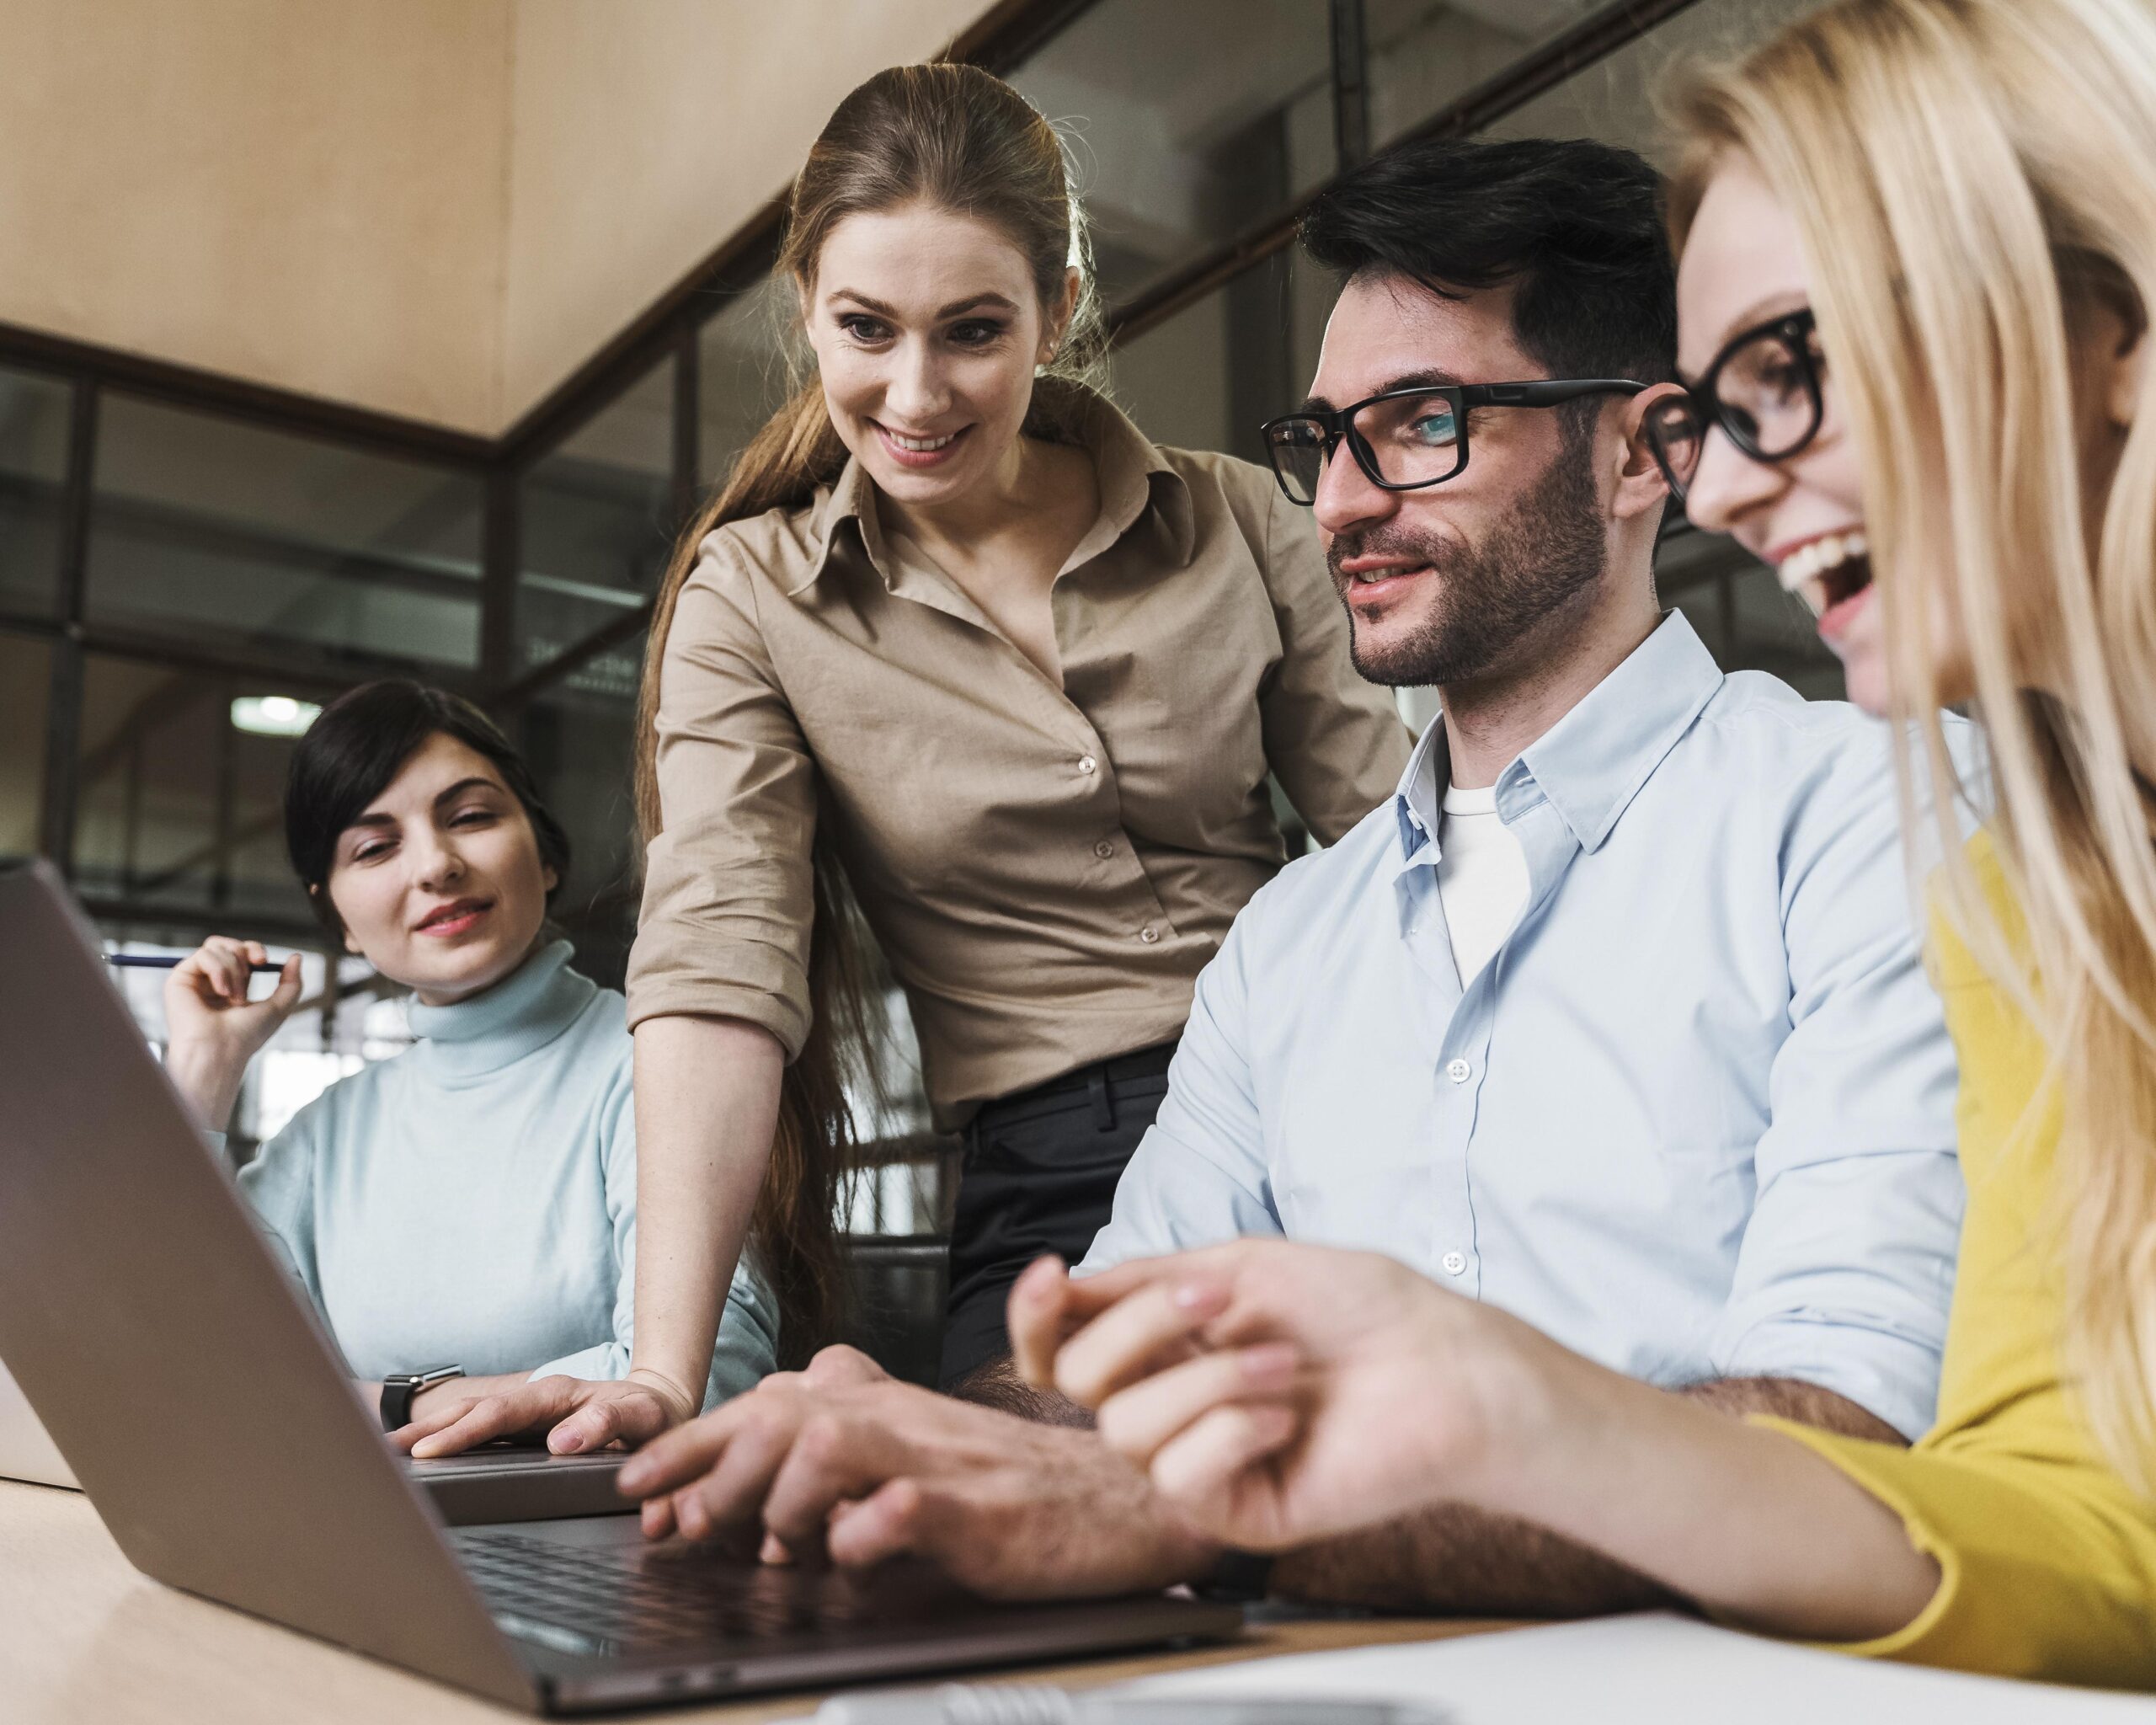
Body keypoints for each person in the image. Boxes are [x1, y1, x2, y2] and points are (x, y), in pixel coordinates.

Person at [607, 134, 1971, 1617]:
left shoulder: (1873, 817)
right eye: (1327, 441)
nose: (1338, 505)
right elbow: (1112, 1368)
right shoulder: (1288, 942)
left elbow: (1863, 1447)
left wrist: (1199, 1516)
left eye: (1425, 422)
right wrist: (918, 1432)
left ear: (1644, 449)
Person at [1020, 0, 2156, 1687]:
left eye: (1791, 369)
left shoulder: (1892, 809)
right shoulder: (2051, 879)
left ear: (2103, 327)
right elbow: (2075, 1535)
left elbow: (1912, 1450)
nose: (1738, 484)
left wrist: (1418, 1446)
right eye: (1320, 442)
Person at [416, 59, 1406, 1458]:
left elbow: (1409, 854)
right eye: (866, 328)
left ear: (1059, 311)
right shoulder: (752, 599)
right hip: (1054, 1177)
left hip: (1334, 1104)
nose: (916, 391)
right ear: (806, 311)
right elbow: (718, 961)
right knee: (1006, 1557)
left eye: (975, 331)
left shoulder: (1241, 518)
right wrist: (660, 1371)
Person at [163, 681, 776, 1449]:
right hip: (362, 1534)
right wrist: (202, 1072)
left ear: (547, 857)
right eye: (376, 847)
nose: (436, 865)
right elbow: (177, 1360)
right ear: (340, 922)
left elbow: (708, 1378)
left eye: (472, 816)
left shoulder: (663, 1069)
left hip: (601, 1530)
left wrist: (391, 1405)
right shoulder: (325, 1137)